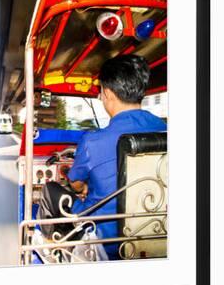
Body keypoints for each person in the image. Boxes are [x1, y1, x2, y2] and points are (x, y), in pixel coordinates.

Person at [40, 54, 167, 259]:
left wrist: (85, 187)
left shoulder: (92, 142)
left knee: (50, 189)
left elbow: (76, 185)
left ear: (107, 93)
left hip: (103, 239)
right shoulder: (166, 130)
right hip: (154, 234)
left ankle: (54, 247)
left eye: (100, 92)